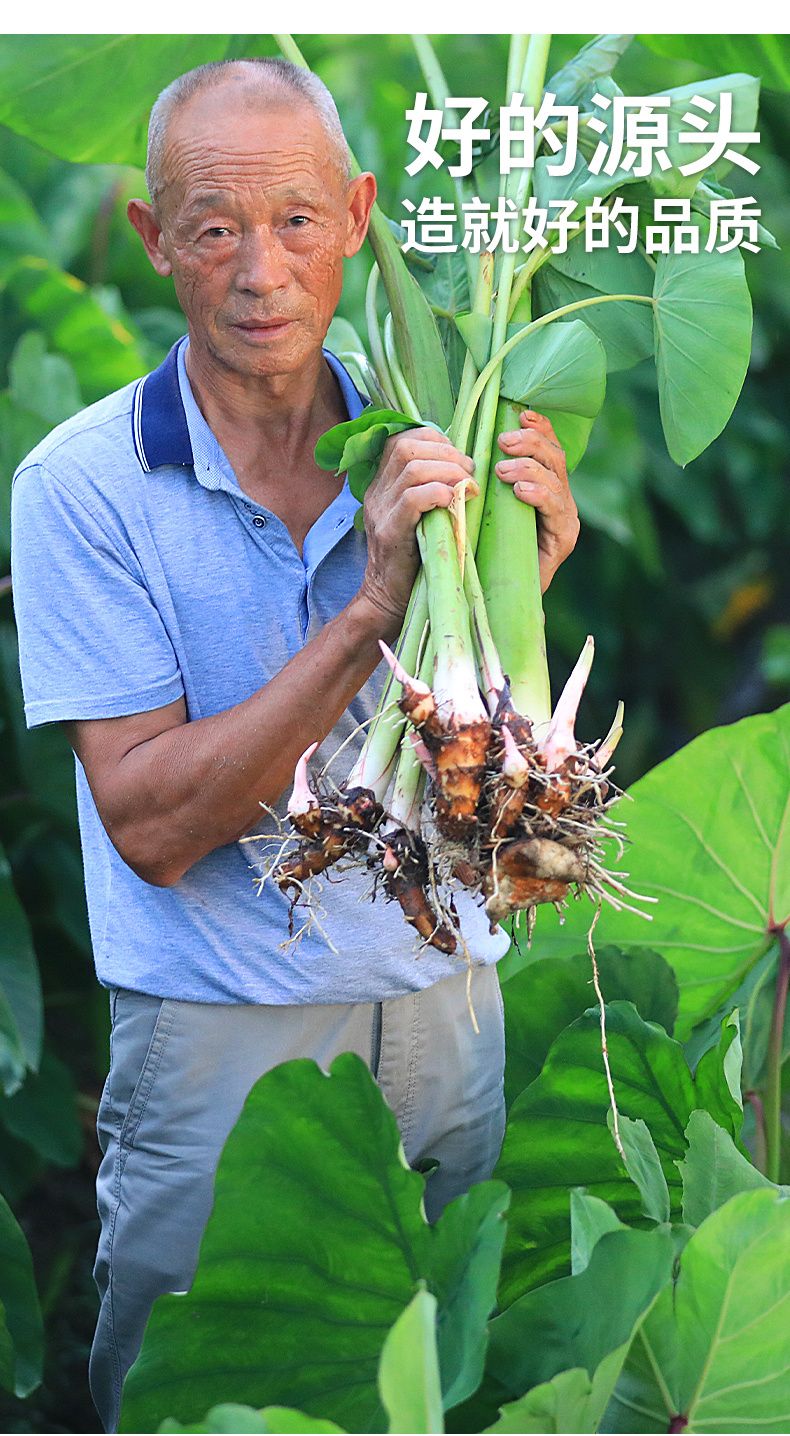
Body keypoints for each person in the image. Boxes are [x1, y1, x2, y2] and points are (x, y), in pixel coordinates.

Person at [10, 57, 580, 1432]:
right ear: (155, 242)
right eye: (213, 228)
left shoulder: (438, 440)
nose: (259, 270)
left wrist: (513, 578)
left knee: (430, 1392)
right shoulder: (80, 487)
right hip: (220, 1043)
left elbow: (458, 761)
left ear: (358, 215)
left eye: (299, 222)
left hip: (449, 1014)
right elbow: (149, 827)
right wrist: (376, 603)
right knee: (202, 1400)